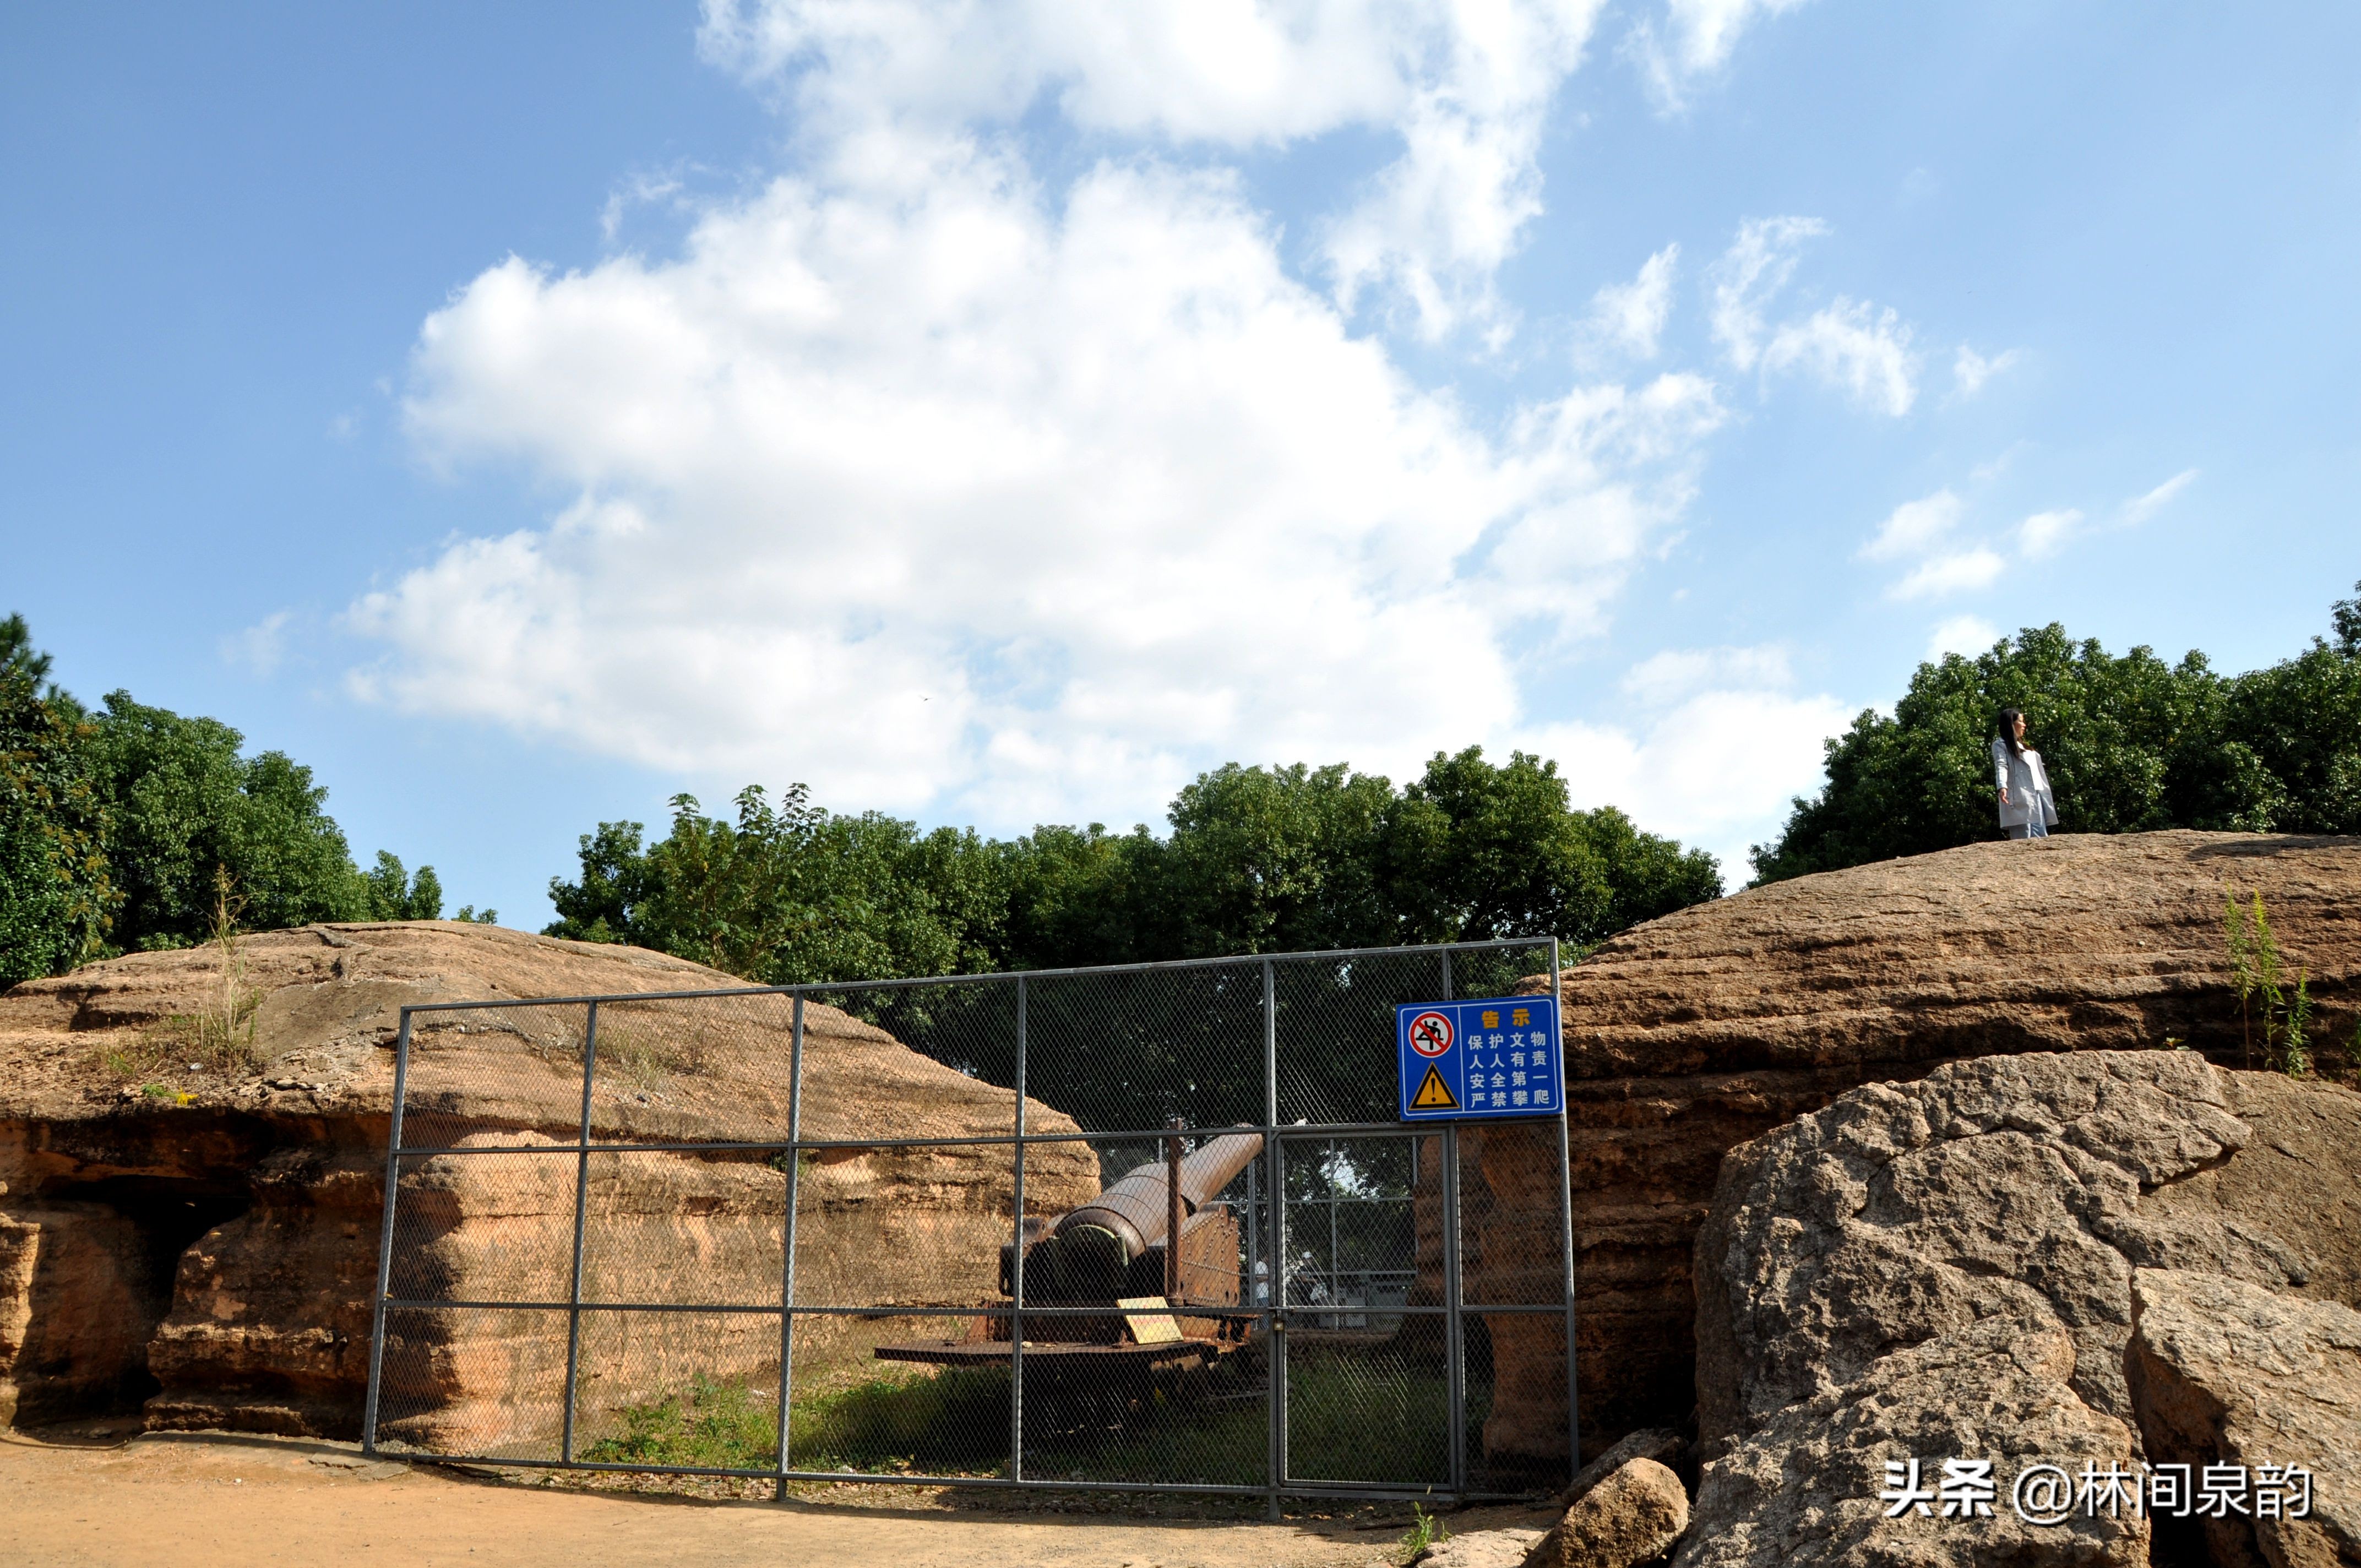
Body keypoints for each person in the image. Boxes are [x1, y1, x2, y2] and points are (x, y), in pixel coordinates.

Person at [1992, 707, 2058, 839]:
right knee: (2023, 838)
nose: (2024, 725)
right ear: (2011, 724)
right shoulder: (2001, 745)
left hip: (2037, 795)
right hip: (2019, 797)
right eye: (2021, 721)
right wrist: (2002, 786)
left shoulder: (2025, 747)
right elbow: (2001, 765)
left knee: (2041, 836)